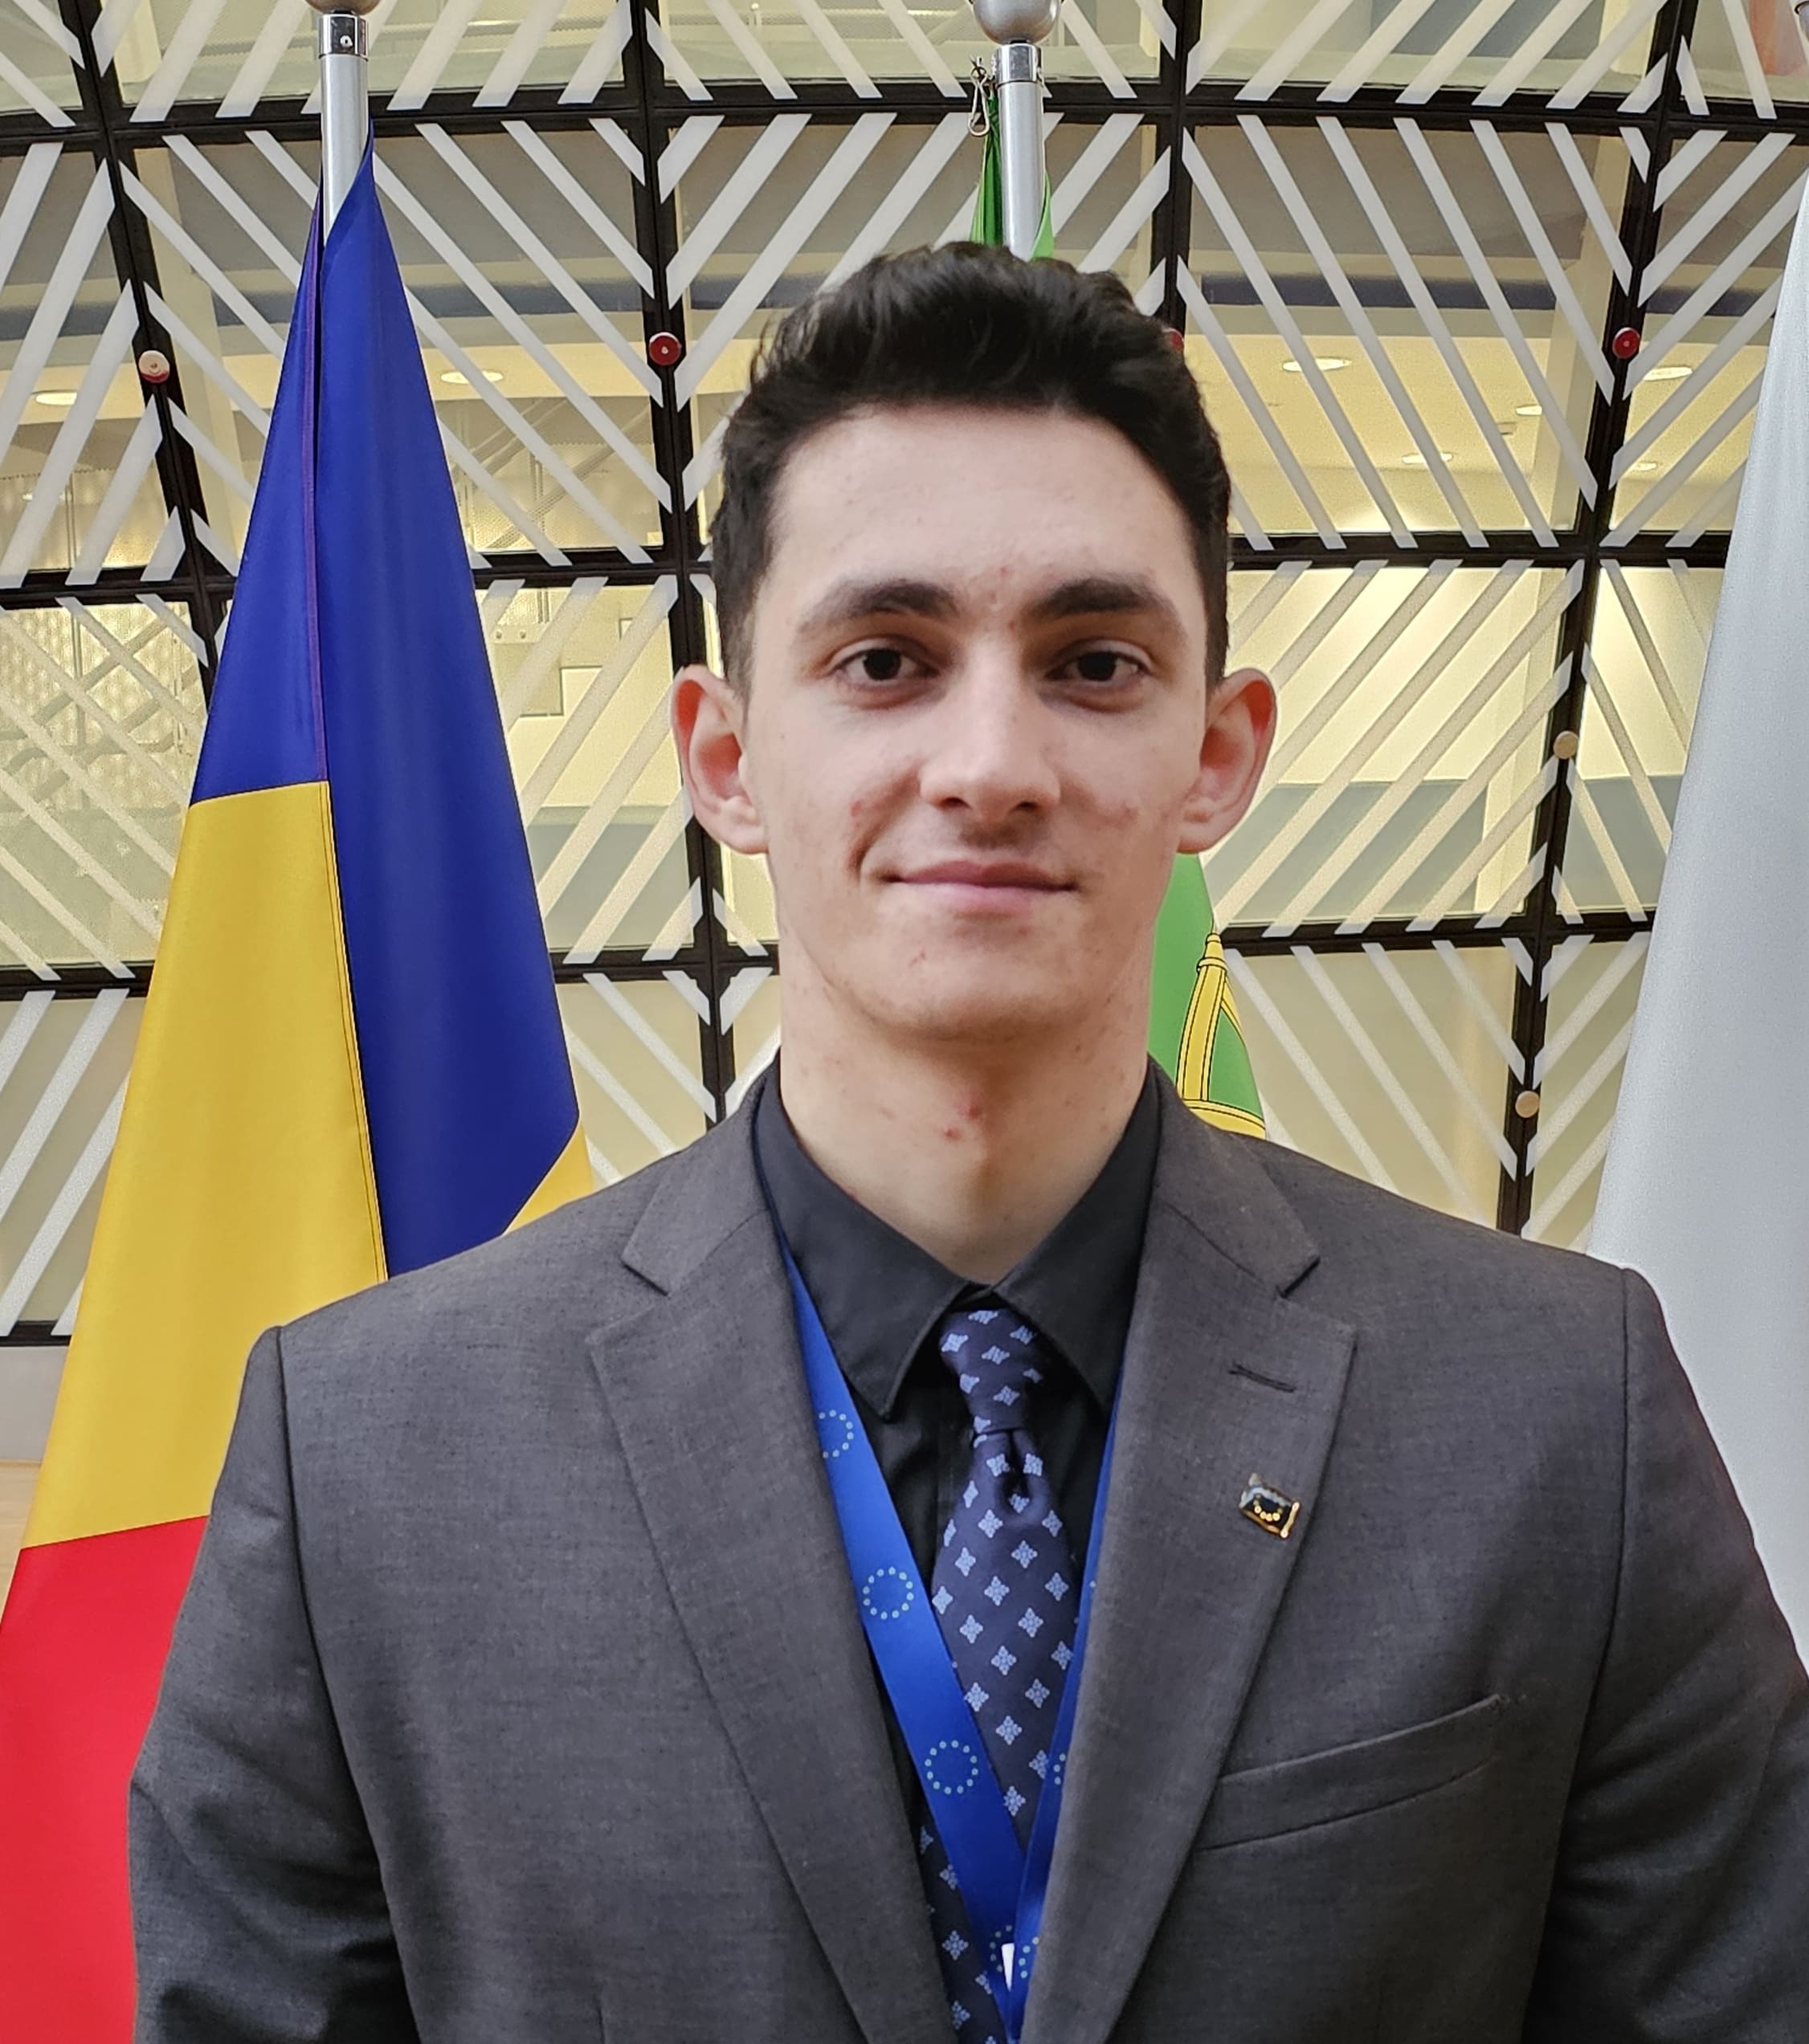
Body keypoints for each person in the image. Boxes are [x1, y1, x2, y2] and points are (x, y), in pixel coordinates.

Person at [131, 247, 1809, 2043]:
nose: (989, 758)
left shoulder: (1556, 1412)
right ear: (724, 756)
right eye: (884, 658)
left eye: (1092, 660)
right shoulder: (373, 1459)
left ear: (1218, 753)